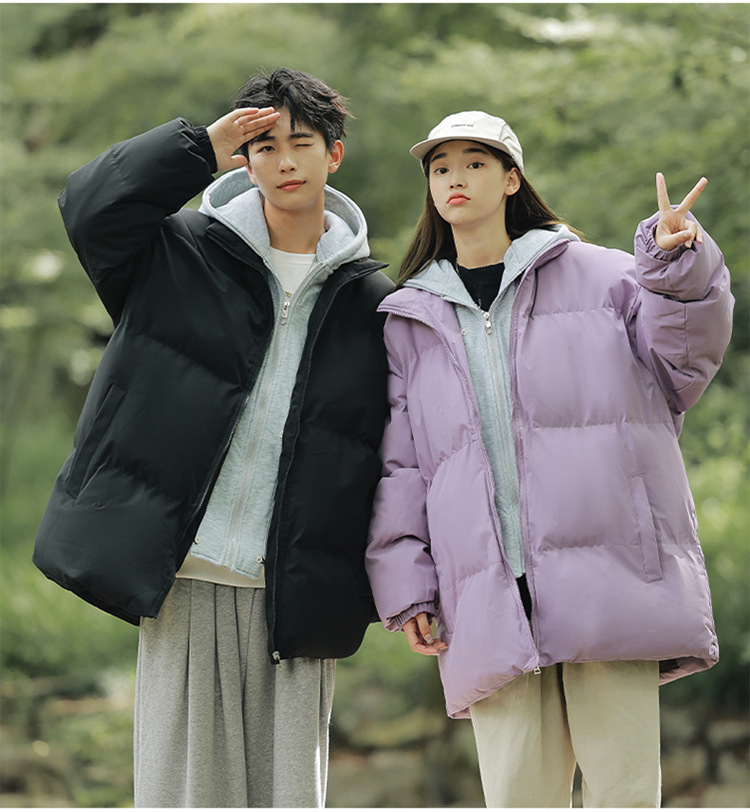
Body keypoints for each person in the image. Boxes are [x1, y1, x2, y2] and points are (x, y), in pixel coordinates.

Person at [33, 68, 394, 807]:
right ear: (245, 158)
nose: (284, 161)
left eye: (302, 143)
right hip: (186, 572)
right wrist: (200, 145)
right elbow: (89, 206)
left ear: (335, 154)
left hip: (296, 590)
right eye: (265, 146)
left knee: (289, 796)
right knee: (183, 794)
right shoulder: (177, 253)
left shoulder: (374, 303)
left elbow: (392, 456)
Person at [365, 110, 733, 807]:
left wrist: (677, 263)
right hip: (485, 594)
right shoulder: (411, 318)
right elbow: (402, 463)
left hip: (610, 576)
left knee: (624, 794)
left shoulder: (606, 277)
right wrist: (406, 582)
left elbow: (684, 362)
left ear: (512, 180)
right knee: (517, 796)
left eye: (475, 163)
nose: (455, 179)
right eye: (441, 168)